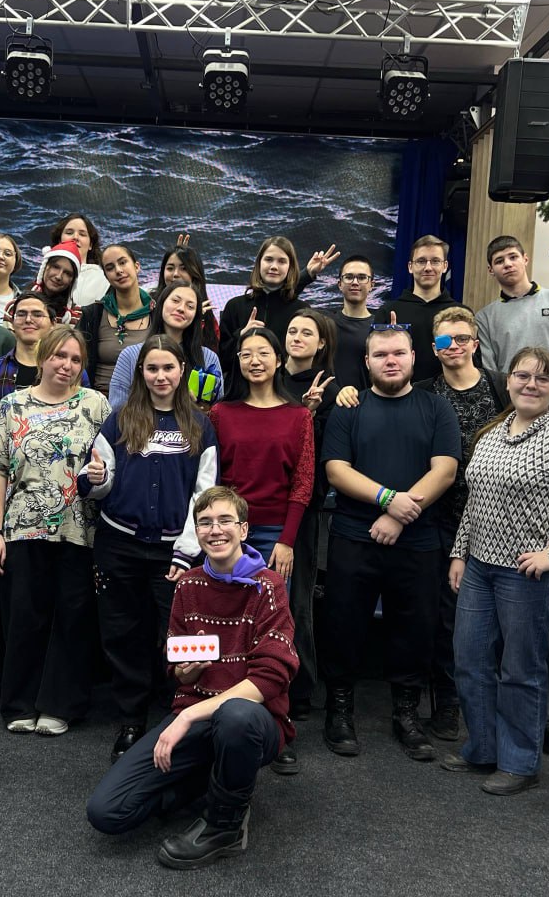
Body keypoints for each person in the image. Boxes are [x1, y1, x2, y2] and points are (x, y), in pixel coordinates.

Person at [85, 486, 298, 870]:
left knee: (235, 715)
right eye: (205, 522)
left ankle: (225, 825)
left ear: (244, 529)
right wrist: (190, 670)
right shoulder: (189, 584)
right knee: (107, 811)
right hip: (198, 714)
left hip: (252, 723)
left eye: (225, 520)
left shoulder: (269, 586)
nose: (215, 530)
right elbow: (178, 669)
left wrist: (186, 716)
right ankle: (210, 781)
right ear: (196, 532)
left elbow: (271, 677)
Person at [444, 347, 549, 795]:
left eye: (543, 378)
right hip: (479, 568)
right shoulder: (492, 432)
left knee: (520, 669)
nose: (531, 385)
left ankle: (520, 762)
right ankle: (483, 748)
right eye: (522, 375)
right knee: (470, 661)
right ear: (509, 381)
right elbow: (476, 500)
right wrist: (460, 553)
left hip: (527, 575)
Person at [321, 325, 460, 761]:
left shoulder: (437, 407)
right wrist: (387, 499)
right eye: (380, 355)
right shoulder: (349, 407)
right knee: (343, 625)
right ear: (367, 362)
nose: (391, 361)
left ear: (414, 357)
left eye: (399, 352)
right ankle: (339, 711)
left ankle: (407, 713)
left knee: (415, 628)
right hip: (353, 535)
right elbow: (336, 470)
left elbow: (445, 471)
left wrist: (399, 514)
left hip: (418, 539)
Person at [81, 337, 219, 763]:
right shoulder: (120, 419)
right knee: (123, 633)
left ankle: (179, 718)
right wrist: (96, 478)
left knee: (181, 636)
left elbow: (205, 495)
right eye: (152, 368)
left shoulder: (200, 425)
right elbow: (96, 484)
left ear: (182, 371)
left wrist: (187, 551)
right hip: (118, 544)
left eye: (168, 368)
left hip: (174, 553)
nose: (161, 376)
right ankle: (131, 720)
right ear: (141, 373)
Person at [0, 324, 111, 736]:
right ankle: (19, 703)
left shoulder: (96, 405)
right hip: (22, 529)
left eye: (75, 359)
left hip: (79, 530)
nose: (66, 365)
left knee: (72, 619)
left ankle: (60, 705)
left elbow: (111, 463)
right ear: (42, 358)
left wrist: (102, 474)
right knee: (24, 617)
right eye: (59, 356)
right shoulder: (12, 406)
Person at [413, 307, 509, 742]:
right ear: (433, 348)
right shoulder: (423, 393)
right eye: (443, 341)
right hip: (441, 520)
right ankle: (448, 703)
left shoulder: (502, 388)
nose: (452, 347)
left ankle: (513, 706)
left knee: (505, 620)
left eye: (461, 339)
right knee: (445, 619)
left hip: (498, 521)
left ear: (475, 343)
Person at [209, 328, 314, 582]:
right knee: (224, 603)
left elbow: (303, 483)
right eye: (246, 355)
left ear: (278, 360)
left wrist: (287, 540)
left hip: (274, 533)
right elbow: (210, 475)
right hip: (227, 527)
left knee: (270, 605)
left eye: (263, 354)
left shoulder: (299, 416)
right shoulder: (220, 413)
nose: (254, 361)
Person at [278, 308, 338, 743]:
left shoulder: (332, 390)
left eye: (306, 332)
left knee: (297, 599)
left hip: (303, 506)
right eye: (292, 330)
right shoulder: (267, 378)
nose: (296, 337)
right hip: (257, 503)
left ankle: (298, 688)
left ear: (321, 343)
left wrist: (311, 414)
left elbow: (323, 456)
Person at [217, 236, 337, 399]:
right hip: (240, 394)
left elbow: (314, 359)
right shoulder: (235, 306)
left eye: (282, 261)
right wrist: (241, 335)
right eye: (268, 259)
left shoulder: (300, 309)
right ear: (259, 263)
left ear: (290, 267)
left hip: (285, 396)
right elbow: (222, 361)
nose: (274, 266)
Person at [474, 236, 549, 416]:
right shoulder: (484, 317)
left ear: (525, 259)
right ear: (491, 270)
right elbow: (492, 372)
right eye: (499, 261)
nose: (508, 264)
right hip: (512, 411)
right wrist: (513, 406)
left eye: (513, 257)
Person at [108, 284, 223, 409]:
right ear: (161, 303)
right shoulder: (131, 355)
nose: (181, 309)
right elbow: (117, 408)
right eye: (175, 301)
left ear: (196, 315)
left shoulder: (208, 358)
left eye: (190, 306)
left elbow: (217, 409)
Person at [375, 235, 472, 383]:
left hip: (449, 393)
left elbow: (473, 363)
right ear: (410, 267)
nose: (428, 268)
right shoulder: (388, 312)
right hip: (401, 392)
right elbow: (375, 361)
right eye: (421, 261)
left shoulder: (461, 313)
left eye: (435, 261)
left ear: (445, 266)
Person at [79, 244, 153, 396]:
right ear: (106, 277)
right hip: (98, 399)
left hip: (144, 399)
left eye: (123, 262)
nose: (118, 270)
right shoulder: (93, 314)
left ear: (137, 266)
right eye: (110, 268)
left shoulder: (157, 314)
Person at [156, 242, 220, 351]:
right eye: (170, 268)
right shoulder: (150, 303)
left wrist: (196, 320)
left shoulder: (205, 314)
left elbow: (209, 350)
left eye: (184, 268)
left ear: (195, 273)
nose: (176, 274)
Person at [332, 255, 375, 391]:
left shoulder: (379, 327)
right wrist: (309, 274)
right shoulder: (326, 323)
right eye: (349, 277)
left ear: (372, 285)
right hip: (331, 401)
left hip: (367, 401)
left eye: (362, 277)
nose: (355, 282)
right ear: (340, 284)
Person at [49, 212, 109, 307]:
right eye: (69, 233)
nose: (75, 237)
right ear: (59, 240)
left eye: (82, 234)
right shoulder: (45, 274)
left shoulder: (104, 279)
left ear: (90, 244)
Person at [30, 238, 83, 324]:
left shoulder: (77, 316)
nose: (59, 276)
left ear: (72, 281)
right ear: (45, 267)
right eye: (56, 267)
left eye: (67, 273)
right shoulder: (17, 305)